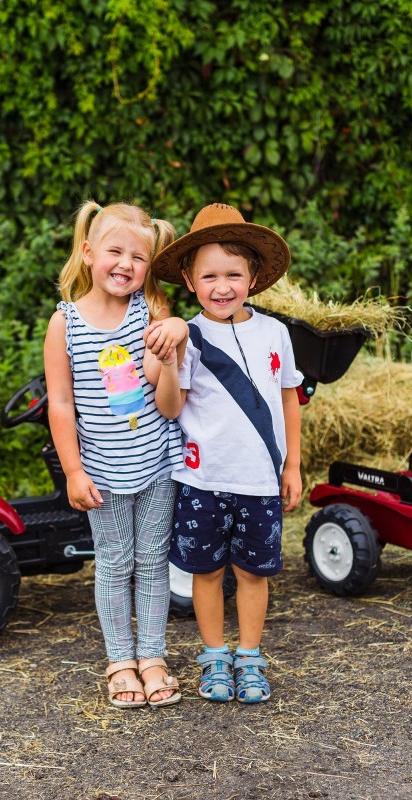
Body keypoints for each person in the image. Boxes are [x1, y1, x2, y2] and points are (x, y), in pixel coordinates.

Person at [148, 202, 303, 704]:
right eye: (209, 276)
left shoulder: (276, 333)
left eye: (233, 274)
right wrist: (168, 360)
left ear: (253, 278)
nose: (222, 287)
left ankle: (250, 657)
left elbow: (289, 400)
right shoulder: (186, 337)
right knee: (207, 572)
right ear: (189, 281)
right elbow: (171, 408)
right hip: (203, 480)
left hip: (260, 481)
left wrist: (293, 465)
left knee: (254, 574)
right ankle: (215, 657)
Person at [43, 200, 188, 709]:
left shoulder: (152, 314)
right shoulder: (64, 323)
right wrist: (73, 469)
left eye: (139, 257)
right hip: (102, 471)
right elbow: (61, 403)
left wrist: (176, 338)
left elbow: (168, 402)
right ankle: (120, 661)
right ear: (88, 253)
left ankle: (152, 658)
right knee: (113, 562)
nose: (126, 264)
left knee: (151, 563)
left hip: (156, 464)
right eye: (115, 252)